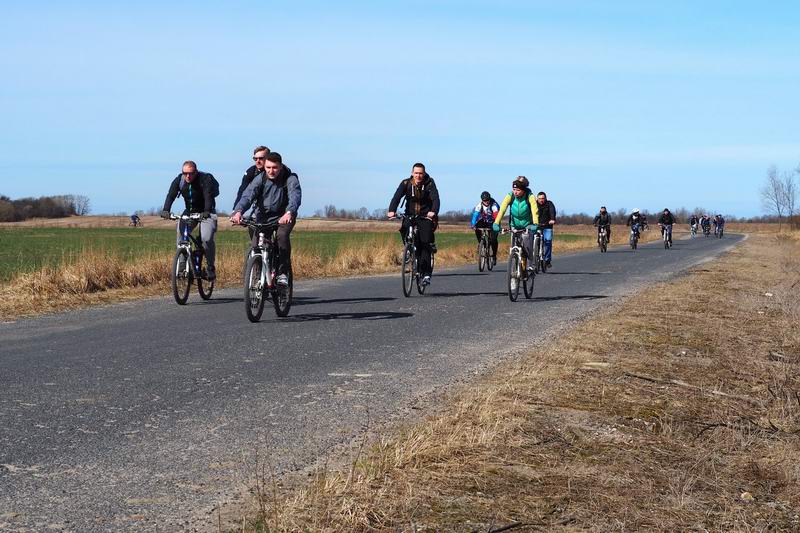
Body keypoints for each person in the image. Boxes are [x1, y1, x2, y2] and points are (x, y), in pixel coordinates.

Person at [230, 152, 302, 286]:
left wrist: (289, 212)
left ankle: (282, 273)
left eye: (274, 167)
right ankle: (257, 278)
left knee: (281, 236)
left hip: (284, 217)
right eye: (268, 167)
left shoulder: (290, 178)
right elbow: (247, 196)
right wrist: (238, 211)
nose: (271, 171)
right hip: (263, 218)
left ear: (280, 166)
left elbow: (295, 196)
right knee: (256, 246)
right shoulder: (261, 178)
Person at [161, 160, 218, 280]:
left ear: (196, 172)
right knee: (181, 235)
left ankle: (210, 267)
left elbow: (208, 195)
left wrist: (207, 211)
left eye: (191, 173)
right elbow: (171, 195)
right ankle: (182, 267)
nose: (188, 176)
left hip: (206, 212)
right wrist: (166, 210)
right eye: (185, 173)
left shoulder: (205, 179)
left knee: (206, 239)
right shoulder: (179, 180)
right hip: (190, 211)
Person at [388, 163, 440, 286]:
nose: (418, 175)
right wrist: (392, 210)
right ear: (412, 173)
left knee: (425, 243)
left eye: (420, 173)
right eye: (416, 173)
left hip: (425, 216)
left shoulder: (430, 183)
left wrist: (433, 212)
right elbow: (396, 197)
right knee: (404, 229)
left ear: (424, 173)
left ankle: (426, 273)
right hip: (409, 215)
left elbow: (435, 199)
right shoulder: (406, 183)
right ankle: (410, 250)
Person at [492, 176, 539, 272]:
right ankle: (514, 270)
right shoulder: (510, 195)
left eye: (517, 190)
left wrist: (535, 223)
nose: (515, 192)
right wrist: (496, 223)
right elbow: (502, 209)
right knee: (514, 245)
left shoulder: (530, 196)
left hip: (527, 224)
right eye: (514, 189)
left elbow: (535, 210)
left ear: (523, 189)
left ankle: (530, 264)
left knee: (527, 244)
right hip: (514, 224)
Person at [470, 191, 499, 266]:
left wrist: (497, 225)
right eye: (484, 201)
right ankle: (481, 243)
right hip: (484, 221)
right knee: (476, 226)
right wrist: (473, 224)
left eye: (487, 200)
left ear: (489, 199)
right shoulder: (479, 205)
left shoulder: (494, 205)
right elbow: (475, 215)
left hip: (493, 222)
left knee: (493, 240)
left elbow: (497, 216)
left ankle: (494, 256)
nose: (486, 202)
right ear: (482, 200)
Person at [536, 191, 556, 267]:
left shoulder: (549, 204)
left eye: (543, 198)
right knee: (534, 241)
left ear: (546, 198)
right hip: (537, 227)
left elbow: (552, 212)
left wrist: (552, 219)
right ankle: (535, 257)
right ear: (537, 199)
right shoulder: (534, 204)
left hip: (547, 226)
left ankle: (547, 260)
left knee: (548, 242)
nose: (541, 200)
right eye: (539, 198)